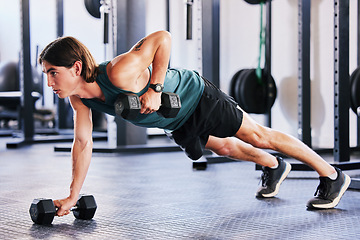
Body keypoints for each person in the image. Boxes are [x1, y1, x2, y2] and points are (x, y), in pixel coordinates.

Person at [39, 30, 350, 217]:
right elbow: (82, 143)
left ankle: (333, 176)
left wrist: (155, 89)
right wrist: (72, 195)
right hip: (176, 120)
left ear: (76, 67)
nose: (50, 81)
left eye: (53, 72)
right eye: (47, 74)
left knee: (258, 135)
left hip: (196, 97)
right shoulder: (79, 99)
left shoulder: (118, 72)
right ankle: (273, 166)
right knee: (225, 148)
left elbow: (163, 38)